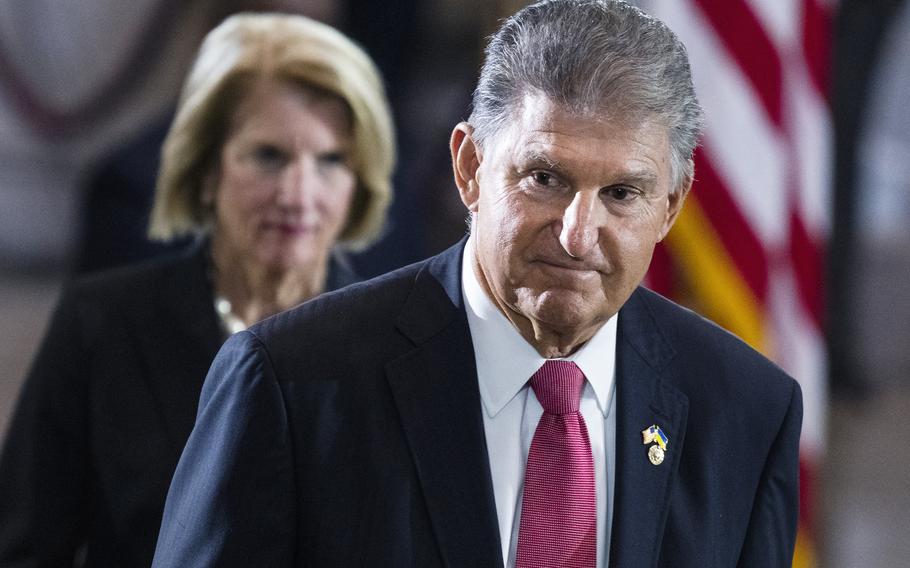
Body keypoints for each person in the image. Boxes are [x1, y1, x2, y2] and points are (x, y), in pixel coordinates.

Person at [153, 1, 802, 566]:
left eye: (622, 193)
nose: (579, 233)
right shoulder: (291, 386)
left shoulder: (747, 412)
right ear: (469, 167)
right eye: (545, 178)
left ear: (671, 205)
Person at [0, 13, 395, 568]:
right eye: (268, 156)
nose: (299, 194)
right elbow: (23, 549)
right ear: (207, 170)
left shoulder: (398, 347)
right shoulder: (100, 326)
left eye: (331, 161)